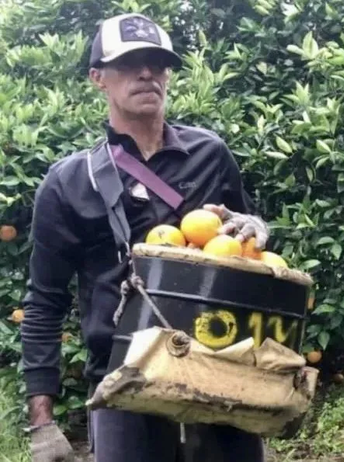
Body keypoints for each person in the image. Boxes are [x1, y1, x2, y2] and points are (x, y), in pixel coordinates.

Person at [20, 13, 269, 462]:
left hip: (219, 371)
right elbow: (44, 301)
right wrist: (42, 422)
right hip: (123, 381)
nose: (147, 73)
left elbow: (250, 254)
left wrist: (257, 228)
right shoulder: (69, 181)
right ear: (98, 77)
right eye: (129, 63)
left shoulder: (209, 154)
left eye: (158, 63)